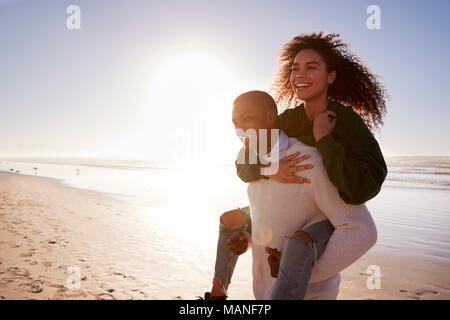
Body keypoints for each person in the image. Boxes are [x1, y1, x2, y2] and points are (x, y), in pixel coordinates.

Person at [202, 32, 387, 300]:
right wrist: (270, 170)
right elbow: (247, 156)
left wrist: (325, 139)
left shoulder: (346, 123)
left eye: (311, 67)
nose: (300, 74)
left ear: (331, 77)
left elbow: (364, 184)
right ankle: (219, 291)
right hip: (294, 200)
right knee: (231, 220)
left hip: (331, 210)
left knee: (300, 242)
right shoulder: (287, 120)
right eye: (295, 68)